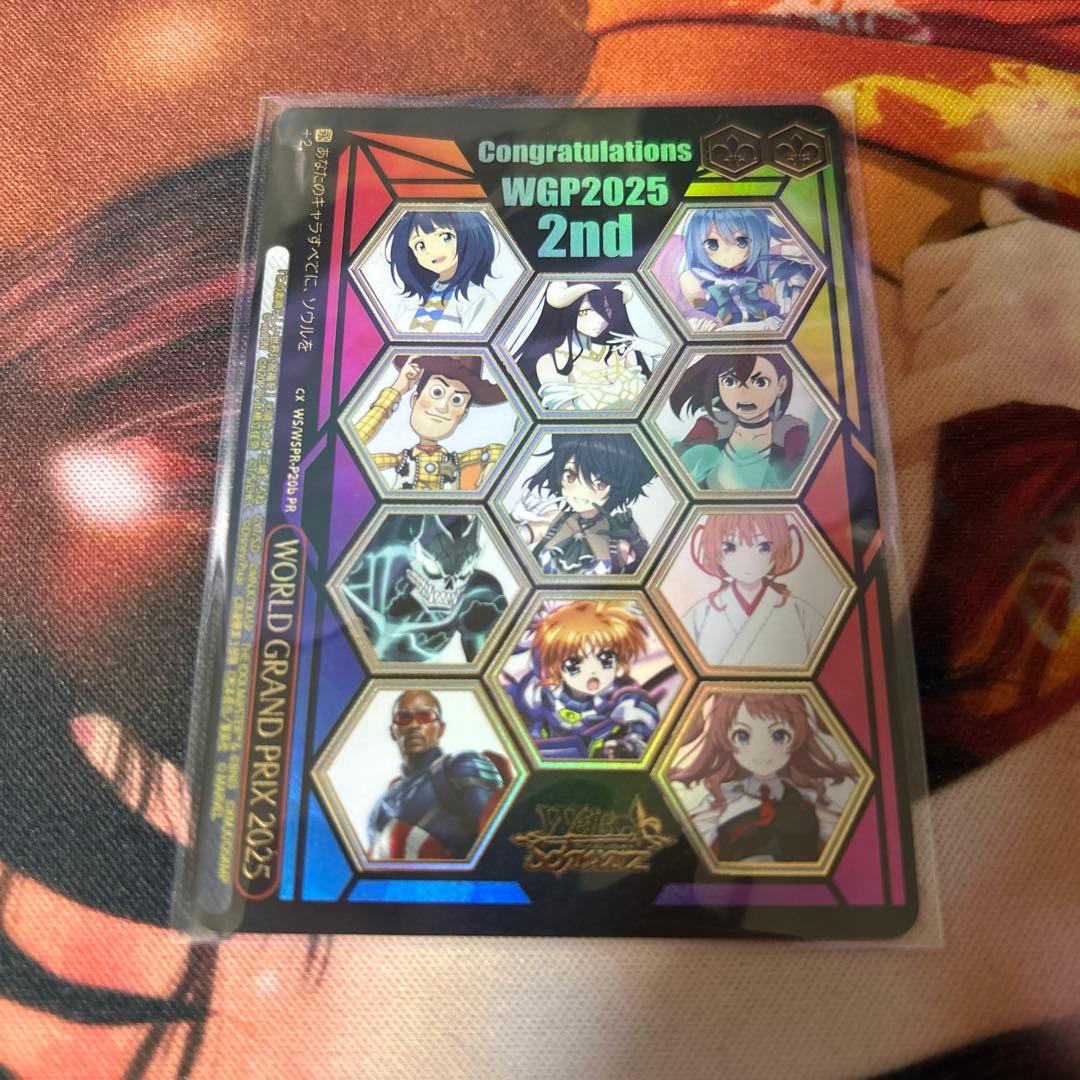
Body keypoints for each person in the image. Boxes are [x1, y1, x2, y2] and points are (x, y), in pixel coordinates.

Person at [667, 691, 856, 863]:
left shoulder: (807, 798)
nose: (762, 752)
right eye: (742, 736)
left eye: (779, 735)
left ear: (798, 734)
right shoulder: (721, 800)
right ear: (723, 738)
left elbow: (846, 848)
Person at [504, 600, 659, 761]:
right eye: (574, 664)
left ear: (619, 662)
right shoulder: (539, 693)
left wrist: (629, 747)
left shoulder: (624, 699)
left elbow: (641, 724)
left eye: (606, 659)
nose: (592, 671)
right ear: (554, 667)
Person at [367, 690, 507, 861]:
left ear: (440, 729)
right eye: (404, 718)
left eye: (425, 716)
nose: (414, 725)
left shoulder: (462, 767)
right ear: (392, 731)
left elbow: (500, 844)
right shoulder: (382, 806)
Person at [680, 512, 826, 668]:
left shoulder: (799, 611)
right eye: (729, 548)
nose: (747, 559)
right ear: (711, 547)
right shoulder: (701, 613)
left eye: (764, 547)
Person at [352, 353, 506, 491]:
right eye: (437, 392)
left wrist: (493, 462)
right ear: (414, 399)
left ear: (463, 416)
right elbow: (349, 447)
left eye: (456, 400)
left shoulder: (455, 461)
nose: (442, 407)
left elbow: (496, 450)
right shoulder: (401, 460)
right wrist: (397, 390)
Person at [513, 432, 655, 575]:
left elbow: (648, 573)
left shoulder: (618, 536)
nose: (580, 491)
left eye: (600, 483)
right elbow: (515, 539)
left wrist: (635, 544)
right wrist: (514, 521)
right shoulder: (555, 519)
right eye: (570, 475)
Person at [654, 206, 812, 331]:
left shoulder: (776, 272)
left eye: (741, 242)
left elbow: (791, 320)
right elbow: (688, 314)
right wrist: (702, 324)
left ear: (760, 241)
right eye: (712, 244)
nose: (728, 253)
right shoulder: (695, 278)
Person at [669, 351, 809, 491]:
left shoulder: (790, 433)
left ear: (781, 385)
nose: (744, 394)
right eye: (729, 382)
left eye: (760, 382)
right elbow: (674, 465)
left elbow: (802, 480)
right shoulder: (713, 426)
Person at [513, 280, 656, 411]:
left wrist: (656, 352)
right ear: (566, 312)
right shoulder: (551, 362)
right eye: (585, 311)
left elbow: (651, 401)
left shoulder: (622, 351)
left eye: (606, 309)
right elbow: (566, 419)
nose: (600, 320)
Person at [385, 209, 497, 334]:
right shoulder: (411, 300)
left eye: (446, 237)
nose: (433, 251)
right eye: (420, 245)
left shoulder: (478, 298)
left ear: (469, 236)